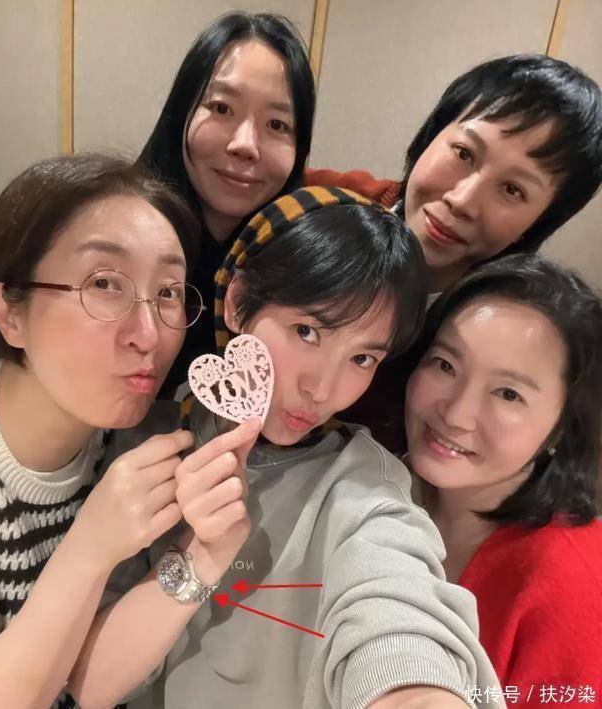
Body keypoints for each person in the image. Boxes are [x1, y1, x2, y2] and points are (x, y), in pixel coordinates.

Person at [70, 187, 503, 709]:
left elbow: (399, 608)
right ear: (238, 303)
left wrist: (415, 691)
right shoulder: (147, 435)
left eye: (362, 359)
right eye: (307, 331)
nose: (322, 389)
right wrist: (200, 556)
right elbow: (90, 685)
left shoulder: (362, 489)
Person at [0, 153, 206, 708]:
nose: (149, 335)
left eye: (169, 292)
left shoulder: (145, 439)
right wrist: (92, 545)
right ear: (10, 312)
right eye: (105, 283)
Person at [306, 53, 602, 445]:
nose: (463, 200)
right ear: (432, 135)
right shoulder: (318, 205)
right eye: (464, 153)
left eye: (512, 189)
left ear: (540, 221)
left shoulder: (503, 331)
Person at [403, 254, 602, 705]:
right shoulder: (373, 485)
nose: (456, 414)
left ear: (562, 430)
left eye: (508, 394)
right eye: (445, 365)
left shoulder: (576, 589)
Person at [140, 11, 315, 395]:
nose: (245, 145)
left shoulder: (303, 266)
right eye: (222, 108)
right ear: (181, 112)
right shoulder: (121, 232)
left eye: (277, 125)